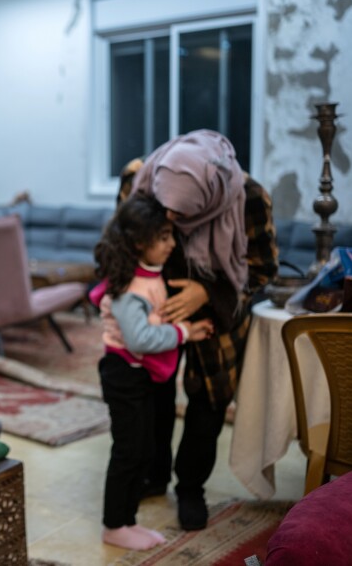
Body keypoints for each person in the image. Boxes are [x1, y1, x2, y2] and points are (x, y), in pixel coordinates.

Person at [121, 130, 278, 531]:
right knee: (152, 392)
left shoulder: (250, 198)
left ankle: (191, 487)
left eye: (183, 216)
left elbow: (262, 270)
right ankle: (153, 475)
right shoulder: (143, 180)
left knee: (207, 399)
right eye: (165, 213)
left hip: (220, 310)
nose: (172, 223)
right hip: (159, 301)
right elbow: (124, 243)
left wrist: (205, 292)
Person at [90, 193, 214, 550]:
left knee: (143, 449)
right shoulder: (131, 288)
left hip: (137, 374)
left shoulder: (149, 273)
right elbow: (141, 337)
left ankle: (127, 520)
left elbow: (154, 317)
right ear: (139, 243)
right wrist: (185, 332)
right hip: (123, 375)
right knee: (129, 452)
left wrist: (189, 324)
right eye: (164, 238)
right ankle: (114, 525)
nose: (172, 244)